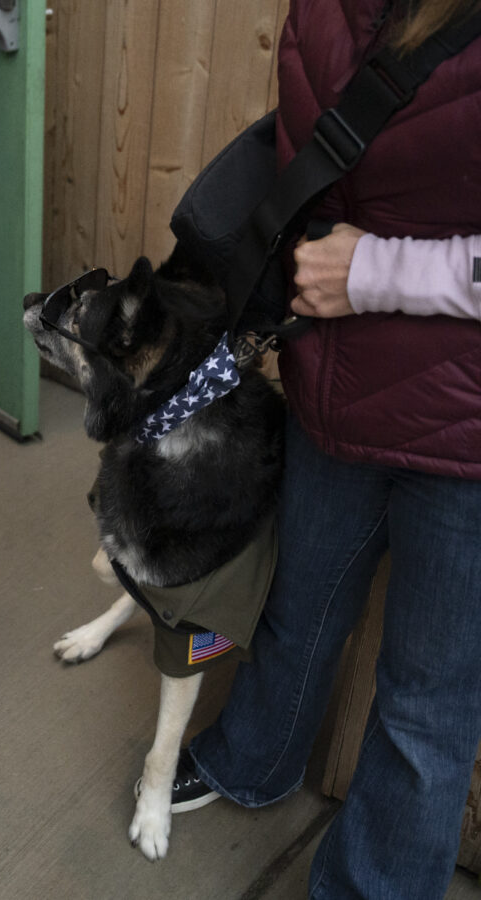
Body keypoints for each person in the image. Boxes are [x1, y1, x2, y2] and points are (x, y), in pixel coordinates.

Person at [170, 1, 481, 897]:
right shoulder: (324, 11)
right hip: (335, 383)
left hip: (465, 438)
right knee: (297, 604)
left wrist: (375, 270)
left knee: (426, 708)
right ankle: (255, 759)